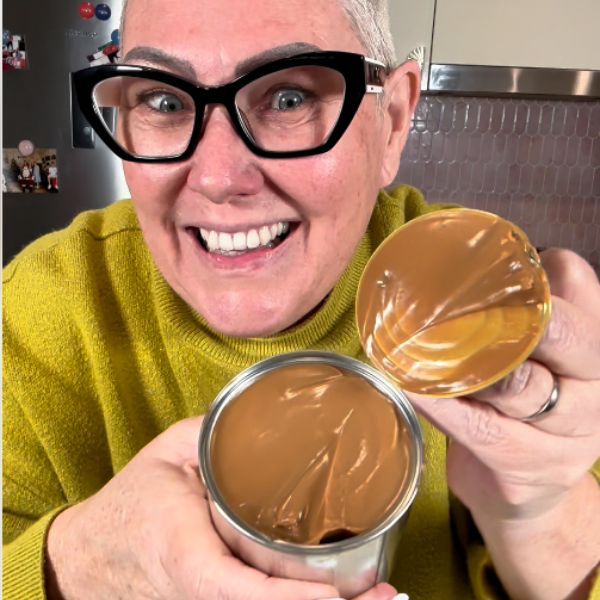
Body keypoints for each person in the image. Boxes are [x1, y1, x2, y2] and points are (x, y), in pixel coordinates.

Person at [3, 0, 599, 598]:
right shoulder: (38, 312)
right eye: (165, 102)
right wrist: (75, 565)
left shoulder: (476, 299)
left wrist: (542, 512)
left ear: (392, 119)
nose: (216, 177)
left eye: (288, 98)